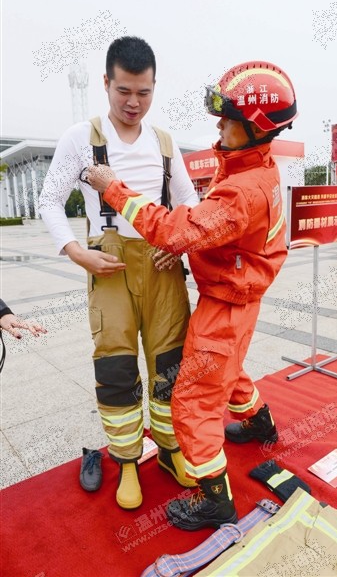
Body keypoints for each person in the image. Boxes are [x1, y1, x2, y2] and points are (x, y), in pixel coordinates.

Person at [87, 60, 297, 530]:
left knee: (194, 402)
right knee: (231, 368)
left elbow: (174, 228)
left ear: (254, 128)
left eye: (228, 119)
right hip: (240, 301)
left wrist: (113, 190)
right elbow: (206, 231)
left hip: (223, 306)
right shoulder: (259, 170)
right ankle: (260, 423)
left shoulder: (241, 191)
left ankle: (215, 498)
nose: (219, 125)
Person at [39, 36, 199, 510]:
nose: (133, 103)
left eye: (144, 92)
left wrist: (181, 240)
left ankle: (170, 450)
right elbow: (49, 200)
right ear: (106, 83)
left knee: (170, 364)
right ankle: (128, 459)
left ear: (154, 87)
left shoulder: (165, 142)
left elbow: (188, 201)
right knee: (116, 364)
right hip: (107, 265)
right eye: (124, 91)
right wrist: (75, 251)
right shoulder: (80, 139)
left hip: (162, 264)